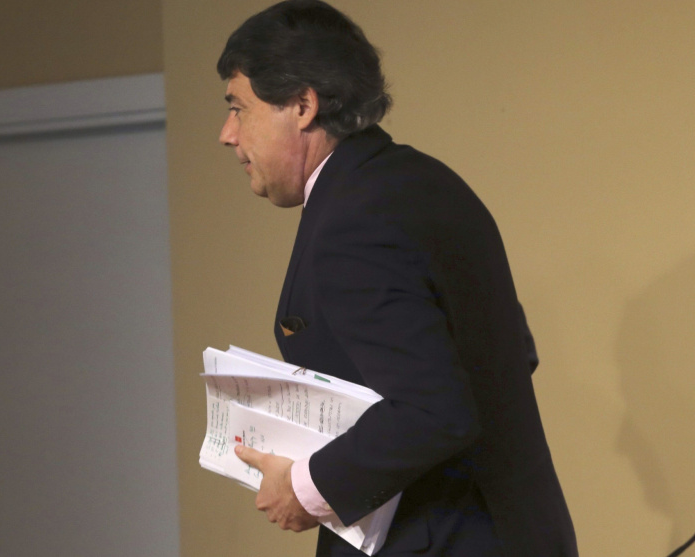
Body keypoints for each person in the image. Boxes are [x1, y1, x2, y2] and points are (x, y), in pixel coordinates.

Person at [217, 1, 578, 555]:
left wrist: (306, 488)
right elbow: (507, 355)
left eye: (239, 108)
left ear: (303, 105)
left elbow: (433, 410)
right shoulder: (425, 182)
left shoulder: (353, 219)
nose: (227, 134)